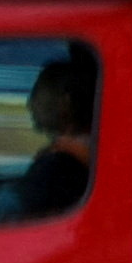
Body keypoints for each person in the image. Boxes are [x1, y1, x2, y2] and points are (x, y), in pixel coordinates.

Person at [11, 50, 97, 219]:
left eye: (38, 93)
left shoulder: (59, 166)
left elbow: (8, 206)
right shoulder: (91, 150)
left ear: (66, 102)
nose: (30, 103)